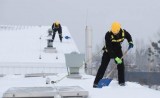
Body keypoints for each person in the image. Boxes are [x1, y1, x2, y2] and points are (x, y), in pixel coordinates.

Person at [93, 22, 134, 87]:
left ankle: (121, 82)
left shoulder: (123, 32)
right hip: (108, 51)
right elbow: (109, 48)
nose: (114, 33)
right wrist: (115, 58)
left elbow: (128, 36)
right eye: (113, 32)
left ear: (119, 30)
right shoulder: (108, 34)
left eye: (115, 32)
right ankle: (96, 82)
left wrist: (130, 42)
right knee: (103, 66)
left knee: (121, 65)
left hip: (118, 50)